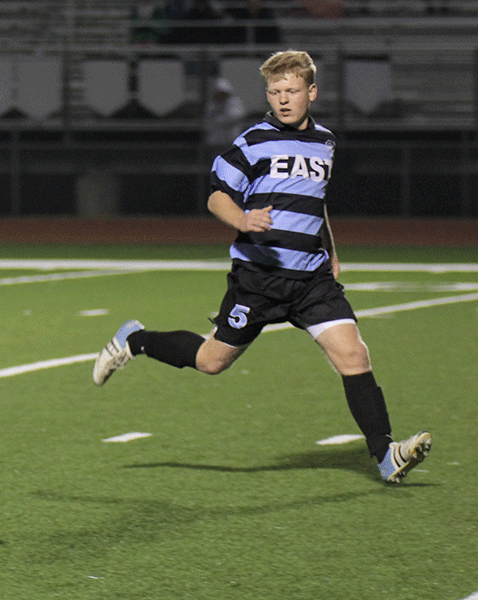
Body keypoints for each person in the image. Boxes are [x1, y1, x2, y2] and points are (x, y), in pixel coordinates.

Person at [92, 50, 431, 485]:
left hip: (311, 279)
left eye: (291, 91)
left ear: (311, 91)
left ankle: (386, 455)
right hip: (259, 280)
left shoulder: (326, 141)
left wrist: (331, 248)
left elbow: (316, 201)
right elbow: (217, 196)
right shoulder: (252, 141)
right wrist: (242, 219)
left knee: (354, 356)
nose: (283, 100)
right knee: (211, 360)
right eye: (275, 92)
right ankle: (135, 339)